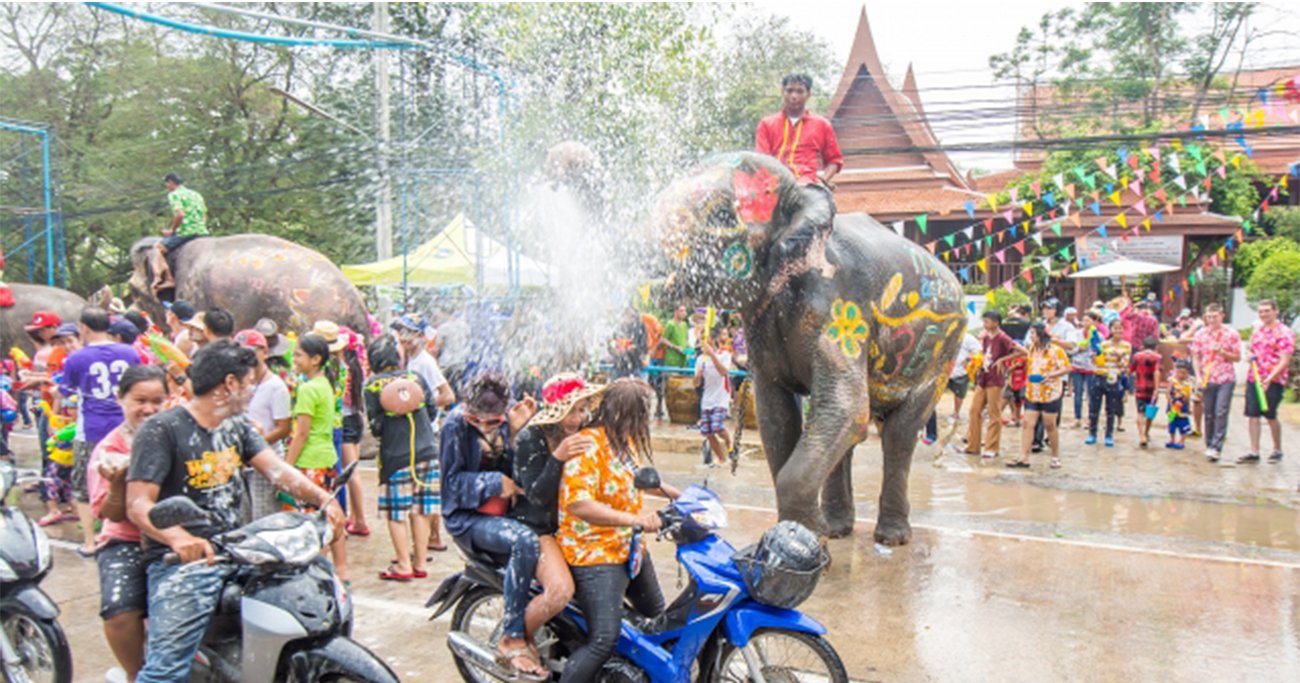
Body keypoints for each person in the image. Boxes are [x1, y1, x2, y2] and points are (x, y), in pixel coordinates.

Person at [125, 341, 345, 683]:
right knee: (165, 671)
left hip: (237, 548)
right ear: (229, 384)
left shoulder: (237, 426)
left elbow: (276, 470)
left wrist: (323, 498)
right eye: (247, 383)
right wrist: (179, 538)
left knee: (319, 584)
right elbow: (138, 503)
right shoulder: (162, 429)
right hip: (185, 563)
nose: (250, 390)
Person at [556, 378, 680, 683]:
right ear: (627, 413)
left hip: (628, 547)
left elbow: (638, 477)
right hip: (593, 551)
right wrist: (635, 519)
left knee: (657, 618)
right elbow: (579, 504)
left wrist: (682, 498)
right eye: (644, 412)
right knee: (603, 640)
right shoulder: (588, 444)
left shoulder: (623, 441)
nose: (648, 419)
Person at [440, 373, 548, 680]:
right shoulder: (454, 427)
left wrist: (517, 436)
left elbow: (523, 474)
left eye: (494, 422)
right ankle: (513, 634)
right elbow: (450, 486)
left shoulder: (510, 421)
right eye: (478, 421)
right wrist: (492, 482)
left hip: (504, 512)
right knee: (524, 542)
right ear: (467, 411)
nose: (486, 427)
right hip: (467, 518)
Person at [510, 374, 603, 657]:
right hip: (538, 527)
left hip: (572, 525)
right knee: (560, 591)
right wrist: (557, 458)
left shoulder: (582, 433)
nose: (578, 417)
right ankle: (514, 641)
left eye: (583, 408)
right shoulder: (532, 437)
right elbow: (537, 496)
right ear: (555, 409)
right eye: (571, 410)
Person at [86, 365, 168, 682]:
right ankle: (137, 676)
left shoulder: (177, 437)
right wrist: (118, 484)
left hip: (176, 536)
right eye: (139, 400)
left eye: (157, 401)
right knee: (120, 611)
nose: (148, 409)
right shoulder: (108, 451)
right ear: (121, 399)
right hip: (127, 540)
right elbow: (109, 514)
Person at [57, 307, 141, 556]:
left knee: (83, 486)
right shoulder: (129, 352)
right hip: (125, 427)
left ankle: (90, 541)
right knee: (130, 479)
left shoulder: (77, 358)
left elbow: (66, 392)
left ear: (83, 328)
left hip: (91, 428)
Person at [364, 336, 439, 581]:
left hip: (396, 457)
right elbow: (432, 411)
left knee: (396, 513)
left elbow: (375, 426)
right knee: (421, 509)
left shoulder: (372, 385)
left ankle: (403, 565)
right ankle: (419, 562)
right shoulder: (414, 377)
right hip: (428, 450)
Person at [283, 333, 349, 582]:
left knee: (312, 522)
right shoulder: (324, 384)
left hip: (310, 462)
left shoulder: (309, 389)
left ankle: (317, 571)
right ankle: (340, 569)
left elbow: (301, 434)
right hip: (326, 458)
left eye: (299, 354)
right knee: (329, 514)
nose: (295, 359)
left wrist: (286, 468)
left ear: (315, 359)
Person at [394, 313, 454, 549]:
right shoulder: (412, 359)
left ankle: (435, 536)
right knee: (423, 486)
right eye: (402, 333)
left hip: (427, 431)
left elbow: (448, 395)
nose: (404, 338)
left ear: (420, 336)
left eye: (409, 333)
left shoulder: (425, 363)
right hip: (420, 430)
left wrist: (420, 406)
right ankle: (432, 537)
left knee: (425, 487)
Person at [312, 320, 371, 537]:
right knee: (349, 471)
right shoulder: (349, 366)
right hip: (352, 419)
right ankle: (354, 518)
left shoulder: (329, 371)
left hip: (339, 422)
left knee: (344, 473)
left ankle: (353, 519)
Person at [232, 329, 292, 521]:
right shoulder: (237, 384)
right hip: (239, 463)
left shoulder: (276, 386)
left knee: (264, 519)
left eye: (252, 352)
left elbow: (283, 428)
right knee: (243, 520)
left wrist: (253, 447)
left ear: (265, 353)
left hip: (265, 461)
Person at [754, 74, 843, 186]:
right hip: (775, 187)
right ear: (782, 92)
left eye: (800, 91)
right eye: (789, 91)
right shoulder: (766, 124)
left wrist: (823, 181)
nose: (794, 96)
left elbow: (834, 160)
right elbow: (762, 160)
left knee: (824, 203)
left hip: (808, 187)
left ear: (809, 94)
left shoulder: (822, 125)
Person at [1007, 323, 1069, 469]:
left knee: (1050, 425)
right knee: (1027, 424)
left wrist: (1051, 375)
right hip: (1033, 392)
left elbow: (1067, 368)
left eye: (1033, 333)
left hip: (1050, 393)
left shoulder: (1056, 351)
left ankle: (1055, 456)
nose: (1031, 336)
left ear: (1041, 334)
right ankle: (1024, 457)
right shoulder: (1032, 349)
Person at [1240, 299, 1294, 464]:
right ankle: (1254, 451)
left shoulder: (1284, 332)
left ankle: (1277, 449)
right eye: (1261, 311)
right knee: (1252, 414)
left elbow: (1285, 360)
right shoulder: (1258, 331)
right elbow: (1252, 351)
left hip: (1274, 379)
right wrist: (1249, 357)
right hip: (1254, 377)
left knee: (1270, 415)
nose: (1263, 314)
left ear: (1275, 311)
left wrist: (1269, 379)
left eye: (1267, 311)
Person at [964, 311, 1021, 460]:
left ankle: (992, 447)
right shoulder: (984, 337)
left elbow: (1023, 351)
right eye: (984, 321)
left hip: (995, 378)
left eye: (987, 321)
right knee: (974, 410)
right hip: (983, 376)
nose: (985, 324)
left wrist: (1004, 360)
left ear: (996, 322)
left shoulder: (1003, 337)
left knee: (993, 413)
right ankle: (973, 445)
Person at [1189, 303, 1240, 462]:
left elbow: (1237, 357)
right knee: (1209, 413)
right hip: (1207, 378)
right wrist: (1197, 376)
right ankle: (1209, 443)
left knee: (1221, 411)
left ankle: (1217, 446)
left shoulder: (1231, 334)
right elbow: (1196, 356)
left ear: (1222, 316)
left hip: (1226, 378)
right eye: (1209, 316)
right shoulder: (1200, 334)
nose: (1212, 319)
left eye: (1215, 316)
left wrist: (1222, 352)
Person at [150, 173, 209, 295]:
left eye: (166, 183)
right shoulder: (196, 194)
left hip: (186, 232)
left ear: (171, 182)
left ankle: (168, 279)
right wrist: (199, 226)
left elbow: (180, 214)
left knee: (157, 248)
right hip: (202, 231)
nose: (166, 186)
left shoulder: (174, 195)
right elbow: (204, 215)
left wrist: (172, 230)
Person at [924, 329, 980, 443]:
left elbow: (978, 351)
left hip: (959, 371)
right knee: (931, 400)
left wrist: (969, 360)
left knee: (959, 394)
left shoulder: (968, 338)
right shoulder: (941, 335)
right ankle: (931, 433)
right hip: (940, 373)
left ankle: (956, 412)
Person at [695, 325, 733, 466]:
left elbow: (724, 372)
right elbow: (696, 384)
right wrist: (697, 377)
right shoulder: (700, 359)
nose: (705, 341)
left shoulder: (725, 355)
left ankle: (729, 441)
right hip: (707, 399)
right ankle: (722, 459)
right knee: (708, 432)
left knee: (717, 427)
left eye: (708, 338)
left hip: (721, 397)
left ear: (714, 339)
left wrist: (712, 355)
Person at [1088, 331, 1132, 448]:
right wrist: (1095, 355)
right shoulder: (1102, 344)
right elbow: (1095, 361)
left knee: (1111, 408)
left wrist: (1115, 362)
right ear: (1111, 330)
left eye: (1120, 328)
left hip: (1113, 378)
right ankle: (1092, 433)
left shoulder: (1126, 346)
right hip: (1098, 376)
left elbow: (1124, 363)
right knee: (1094, 407)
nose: (1118, 331)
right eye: (1115, 328)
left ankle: (1109, 434)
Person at [1129, 337, 1163, 449]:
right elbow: (1157, 372)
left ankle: (1141, 435)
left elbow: (1131, 370)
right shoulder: (1157, 357)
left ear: (1143, 346)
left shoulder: (1137, 356)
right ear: (1156, 347)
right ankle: (1146, 432)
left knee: (1140, 412)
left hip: (1140, 387)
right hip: (1152, 388)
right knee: (1150, 412)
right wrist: (1157, 389)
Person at [610, 306, 647, 380]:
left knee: (635, 389)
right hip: (618, 366)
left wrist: (633, 348)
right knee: (617, 389)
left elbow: (643, 346)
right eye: (626, 314)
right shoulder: (617, 327)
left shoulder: (639, 327)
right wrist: (615, 350)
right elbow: (611, 343)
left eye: (632, 316)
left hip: (635, 365)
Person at [1166, 361, 1194, 450]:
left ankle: (1182, 440)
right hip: (1172, 407)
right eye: (1179, 372)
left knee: (1183, 424)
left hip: (1183, 407)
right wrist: (1170, 402)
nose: (1181, 375)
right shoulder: (1172, 381)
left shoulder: (1188, 383)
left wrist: (1188, 404)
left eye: (1184, 373)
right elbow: (1168, 393)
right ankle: (1172, 439)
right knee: (1171, 422)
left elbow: (1189, 397)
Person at [661, 304, 690, 368]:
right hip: (672, 360)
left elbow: (686, 339)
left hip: (683, 360)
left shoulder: (685, 325)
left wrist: (689, 347)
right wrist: (675, 347)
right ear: (676, 312)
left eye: (685, 311)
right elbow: (663, 339)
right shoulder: (670, 324)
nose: (684, 313)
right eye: (681, 311)